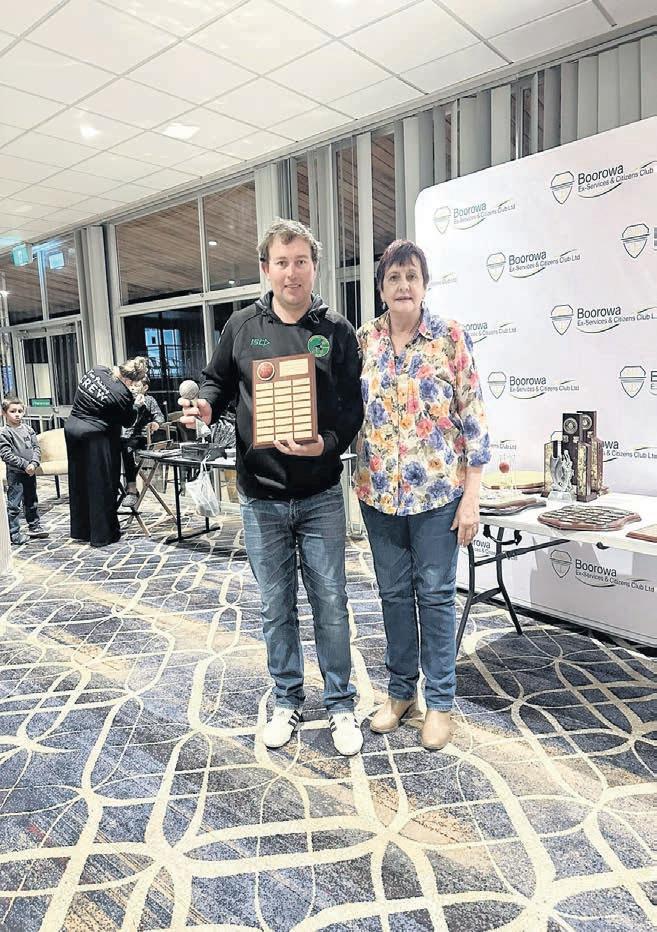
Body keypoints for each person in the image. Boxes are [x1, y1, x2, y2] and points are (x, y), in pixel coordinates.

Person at [180, 218, 364, 756]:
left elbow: (351, 408)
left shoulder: (337, 331)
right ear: (266, 269)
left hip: (321, 495)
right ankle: (286, 699)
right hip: (260, 496)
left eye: (301, 261)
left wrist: (327, 443)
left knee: (332, 603)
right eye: (281, 262)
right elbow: (216, 381)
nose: (291, 272)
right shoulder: (241, 326)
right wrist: (206, 406)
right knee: (275, 606)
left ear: (314, 267)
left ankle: (341, 703)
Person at [354, 239, 490, 751]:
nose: (403, 285)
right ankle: (400, 693)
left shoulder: (450, 338)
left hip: (437, 496)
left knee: (434, 597)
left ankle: (441, 702)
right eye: (393, 277)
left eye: (411, 276)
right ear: (381, 288)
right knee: (392, 596)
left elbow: (474, 420)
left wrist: (472, 497)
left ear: (425, 284)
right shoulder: (365, 340)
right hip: (378, 494)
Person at [65, 357, 149, 547]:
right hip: (96, 437)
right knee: (101, 484)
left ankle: (81, 530)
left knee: (78, 482)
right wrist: (137, 405)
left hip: (72, 429)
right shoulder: (122, 394)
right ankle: (102, 534)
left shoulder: (96, 370)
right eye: (133, 384)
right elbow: (128, 420)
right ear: (130, 380)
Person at [0, 398, 49, 546]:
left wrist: (34, 463)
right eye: (12, 411)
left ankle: (34, 526)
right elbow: (6, 454)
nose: (17, 414)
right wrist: (25, 465)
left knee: (31, 500)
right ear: (4, 413)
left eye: (20, 411)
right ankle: (14, 534)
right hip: (16, 474)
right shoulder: (4, 433)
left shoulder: (29, 430)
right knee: (14, 505)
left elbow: (36, 448)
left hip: (30, 472)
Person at [121, 379, 165, 509]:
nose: (133, 387)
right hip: (125, 436)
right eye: (132, 385)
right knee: (115, 446)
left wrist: (156, 423)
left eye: (137, 385)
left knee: (127, 448)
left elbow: (160, 416)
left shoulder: (149, 400)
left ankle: (132, 489)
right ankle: (113, 486)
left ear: (145, 388)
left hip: (143, 436)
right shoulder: (127, 400)